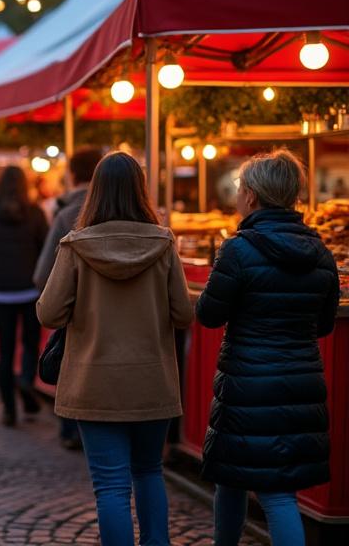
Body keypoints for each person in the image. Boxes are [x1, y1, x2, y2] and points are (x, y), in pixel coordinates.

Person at [37, 152, 194, 546]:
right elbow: (183, 313)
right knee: (148, 472)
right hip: (151, 381)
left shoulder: (75, 246)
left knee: (110, 487)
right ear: (141, 191)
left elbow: (49, 313)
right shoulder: (163, 244)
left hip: (93, 382)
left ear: (95, 192)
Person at [197, 150, 340, 546]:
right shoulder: (322, 254)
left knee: (236, 479)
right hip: (301, 384)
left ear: (253, 196)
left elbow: (209, 315)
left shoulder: (238, 250)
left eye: (241, 188)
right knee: (279, 492)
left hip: (247, 384)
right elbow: (323, 325)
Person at [34, 147, 104, 450]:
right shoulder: (156, 232)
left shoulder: (66, 217)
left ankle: (69, 429)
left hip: (78, 318)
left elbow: (42, 275)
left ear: (72, 174)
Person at [0, 166, 50, 427]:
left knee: (5, 352)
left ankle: (8, 408)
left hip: (0, 291)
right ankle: (26, 381)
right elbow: (46, 252)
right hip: (30, 290)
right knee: (30, 343)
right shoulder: (36, 214)